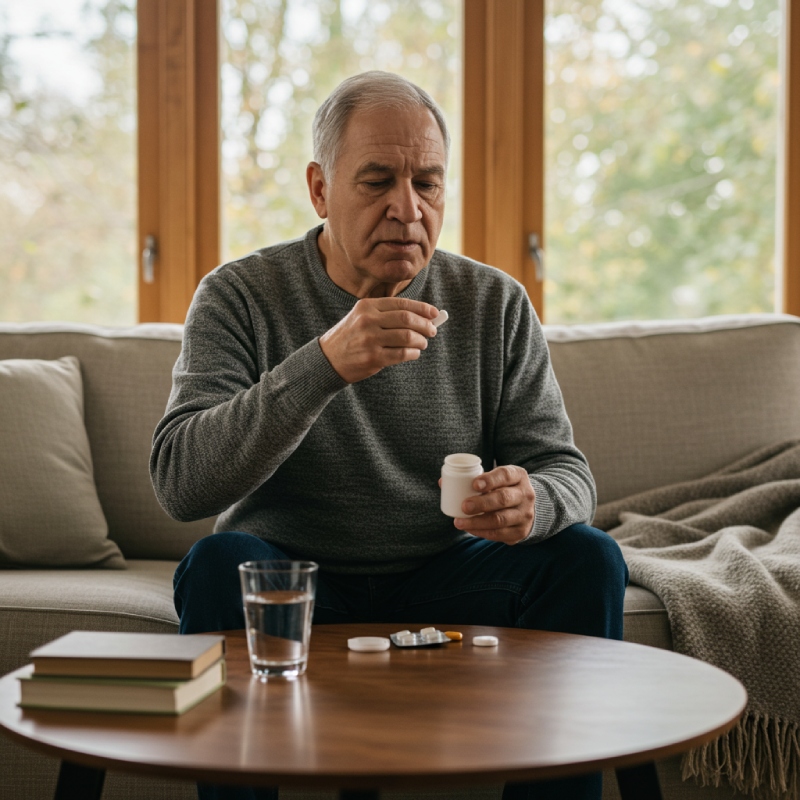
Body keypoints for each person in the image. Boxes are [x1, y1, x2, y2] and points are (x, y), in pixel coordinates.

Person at [150, 71, 628, 800]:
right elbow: (181, 482)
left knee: (587, 558)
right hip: (296, 577)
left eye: (428, 184)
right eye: (376, 182)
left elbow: (566, 471)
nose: (407, 209)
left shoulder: (493, 302)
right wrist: (322, 365)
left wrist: (533, 499)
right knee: (220, 563)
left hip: (447, 573)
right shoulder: (239, 296)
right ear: (319, 189)